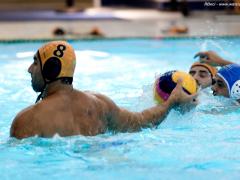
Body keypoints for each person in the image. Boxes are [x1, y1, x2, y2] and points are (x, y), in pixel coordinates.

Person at [10, 41, 195, 139]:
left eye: (35, 62)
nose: (29, 69)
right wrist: (171, 102)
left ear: (50, 69)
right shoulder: (100, 104)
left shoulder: (26, 120)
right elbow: (142, 122)